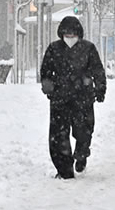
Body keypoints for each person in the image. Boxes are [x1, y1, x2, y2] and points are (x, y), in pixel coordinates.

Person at [40, 16, 107, 177]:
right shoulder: (54, 48)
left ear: (79, 34)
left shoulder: (88, 48)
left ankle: (81, 153)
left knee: (84, 130)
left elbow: (98, 70)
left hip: (82, 98)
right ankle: (64, 170)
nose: (70, 38)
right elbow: (46, 70)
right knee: (58, 136)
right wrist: (48, 86)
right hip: (60, 98)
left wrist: (100, 88)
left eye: (73, 35)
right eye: (67, 35)